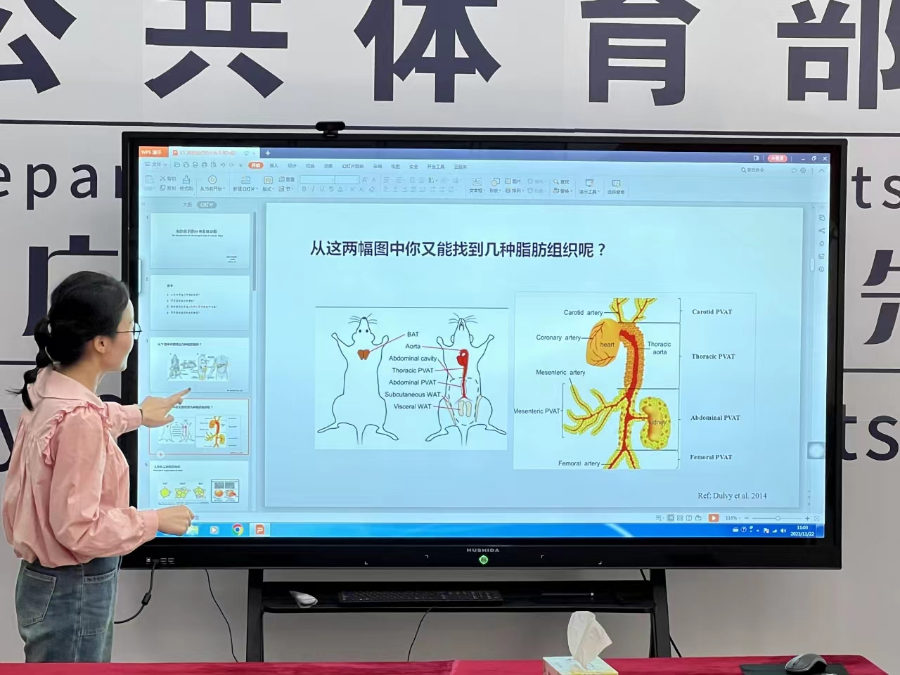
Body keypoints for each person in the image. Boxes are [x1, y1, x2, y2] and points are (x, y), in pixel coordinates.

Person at [2, 271, 195, 663]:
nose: (134, 337)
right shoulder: (78, 419)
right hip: (73, 590)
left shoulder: (48, 387)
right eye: (131, 328)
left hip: (48, 586)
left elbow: (83, 421)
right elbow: (79, 529)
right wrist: (155, 521)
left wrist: (138, 414)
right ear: (102, 342)